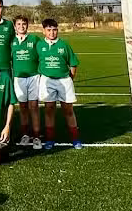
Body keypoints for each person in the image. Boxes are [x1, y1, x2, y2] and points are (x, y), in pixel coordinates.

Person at [36, 18, 82, 149]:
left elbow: (73, 64)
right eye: (49, 30)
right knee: (49, 109)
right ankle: (50, 139)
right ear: (43, 31)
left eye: (54, 30)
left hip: (64, 80)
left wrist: (69, 79)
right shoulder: (39, 45)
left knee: (68, 109)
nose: (52, 32)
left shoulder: (64, 45)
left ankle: (75, 138)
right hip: (47, 80)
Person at [10, 14, 41, 148]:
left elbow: (42, 56)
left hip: (34, 77)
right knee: (22, 107)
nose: (21, 26)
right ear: (14, 26)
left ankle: (36, 136)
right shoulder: (11, 41)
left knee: (33, 107)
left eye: (24, 24)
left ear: (27, 25)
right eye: (18, 24)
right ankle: (25, 135)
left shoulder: (34, 39)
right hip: (19, 78)